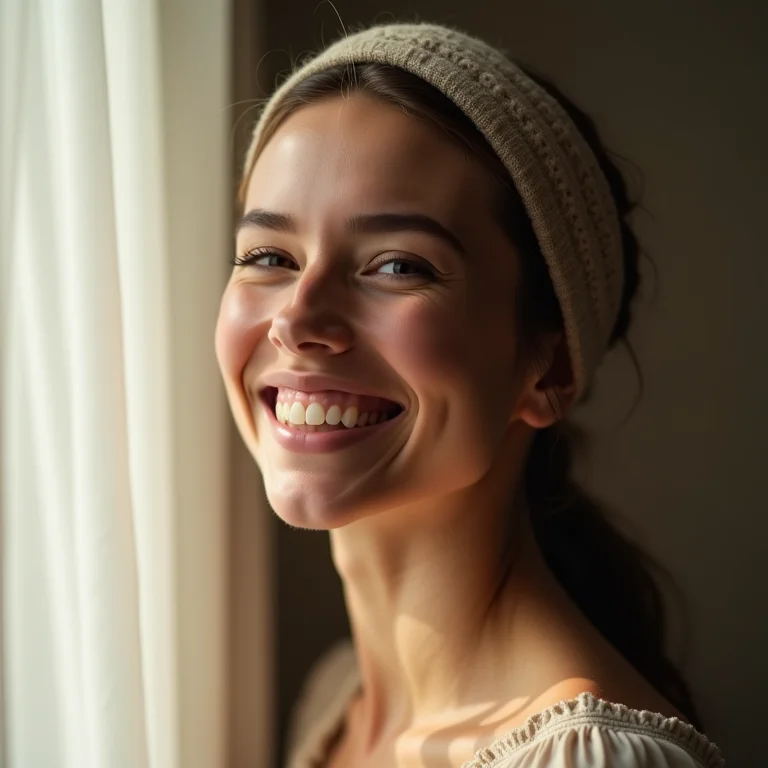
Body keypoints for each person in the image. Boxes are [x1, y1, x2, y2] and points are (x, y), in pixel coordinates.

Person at [216, 21, 726, 768]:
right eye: (269, 256)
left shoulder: (595, 759)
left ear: (546, 371)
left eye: (397, 266)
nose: (298, 319)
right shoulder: (338, 701)